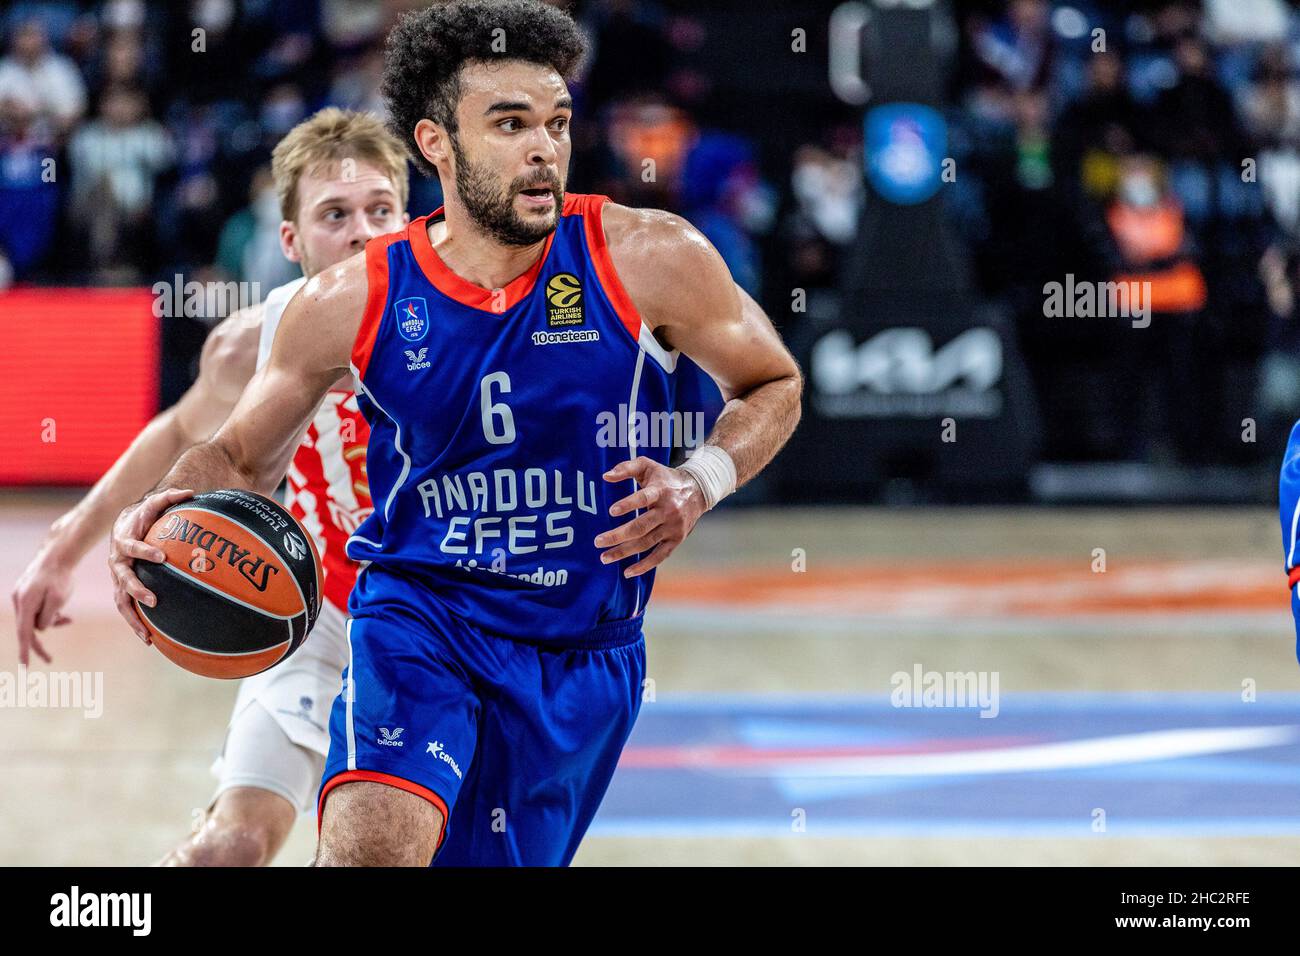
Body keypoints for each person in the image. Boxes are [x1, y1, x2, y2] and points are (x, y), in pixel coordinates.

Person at [108, 0, 803, 867]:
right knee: (368, 853)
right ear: (436, 143)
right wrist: (162, 506)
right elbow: (240, 454)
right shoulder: (351, 300)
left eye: (555, 121)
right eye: (509, 124)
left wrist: (699, 479)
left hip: (580, 649)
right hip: (417, 614)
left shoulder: (650, 255)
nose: (544, 146)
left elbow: (774, 382)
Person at [14, 107, 410, 865]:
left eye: (380, 210)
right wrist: (66, 545)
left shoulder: (467, 325)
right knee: (226, 850)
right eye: (335, 214)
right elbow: (176, 432)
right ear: (290, 242)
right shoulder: (253, 341)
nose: (363, 231)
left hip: (439, 625)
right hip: (316, 616)